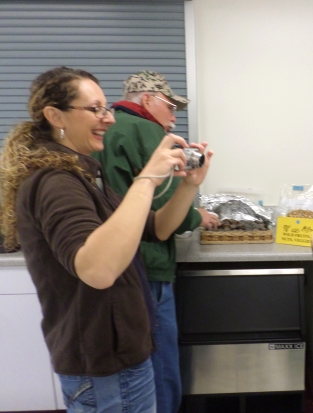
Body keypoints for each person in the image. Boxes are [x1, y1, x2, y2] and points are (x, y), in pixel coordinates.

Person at [0, 66, 213, 413]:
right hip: (106, 368)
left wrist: (189, 184)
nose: (109, 119)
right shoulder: (54, 181)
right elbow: (97, 269)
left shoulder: (84, 173)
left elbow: (156, 227)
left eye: (106, 109)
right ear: (55, 116)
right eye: (95, 109)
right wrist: (146, 180)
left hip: (119, 359)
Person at [92, 70, 218, 413]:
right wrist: (196, 216)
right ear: (147, 100)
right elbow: (163, 201)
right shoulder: (144, 129)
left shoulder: (104, 131)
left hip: (115, 257)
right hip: (148, 263)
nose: (174, 117)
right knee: (159, 360)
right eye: (169, 106)